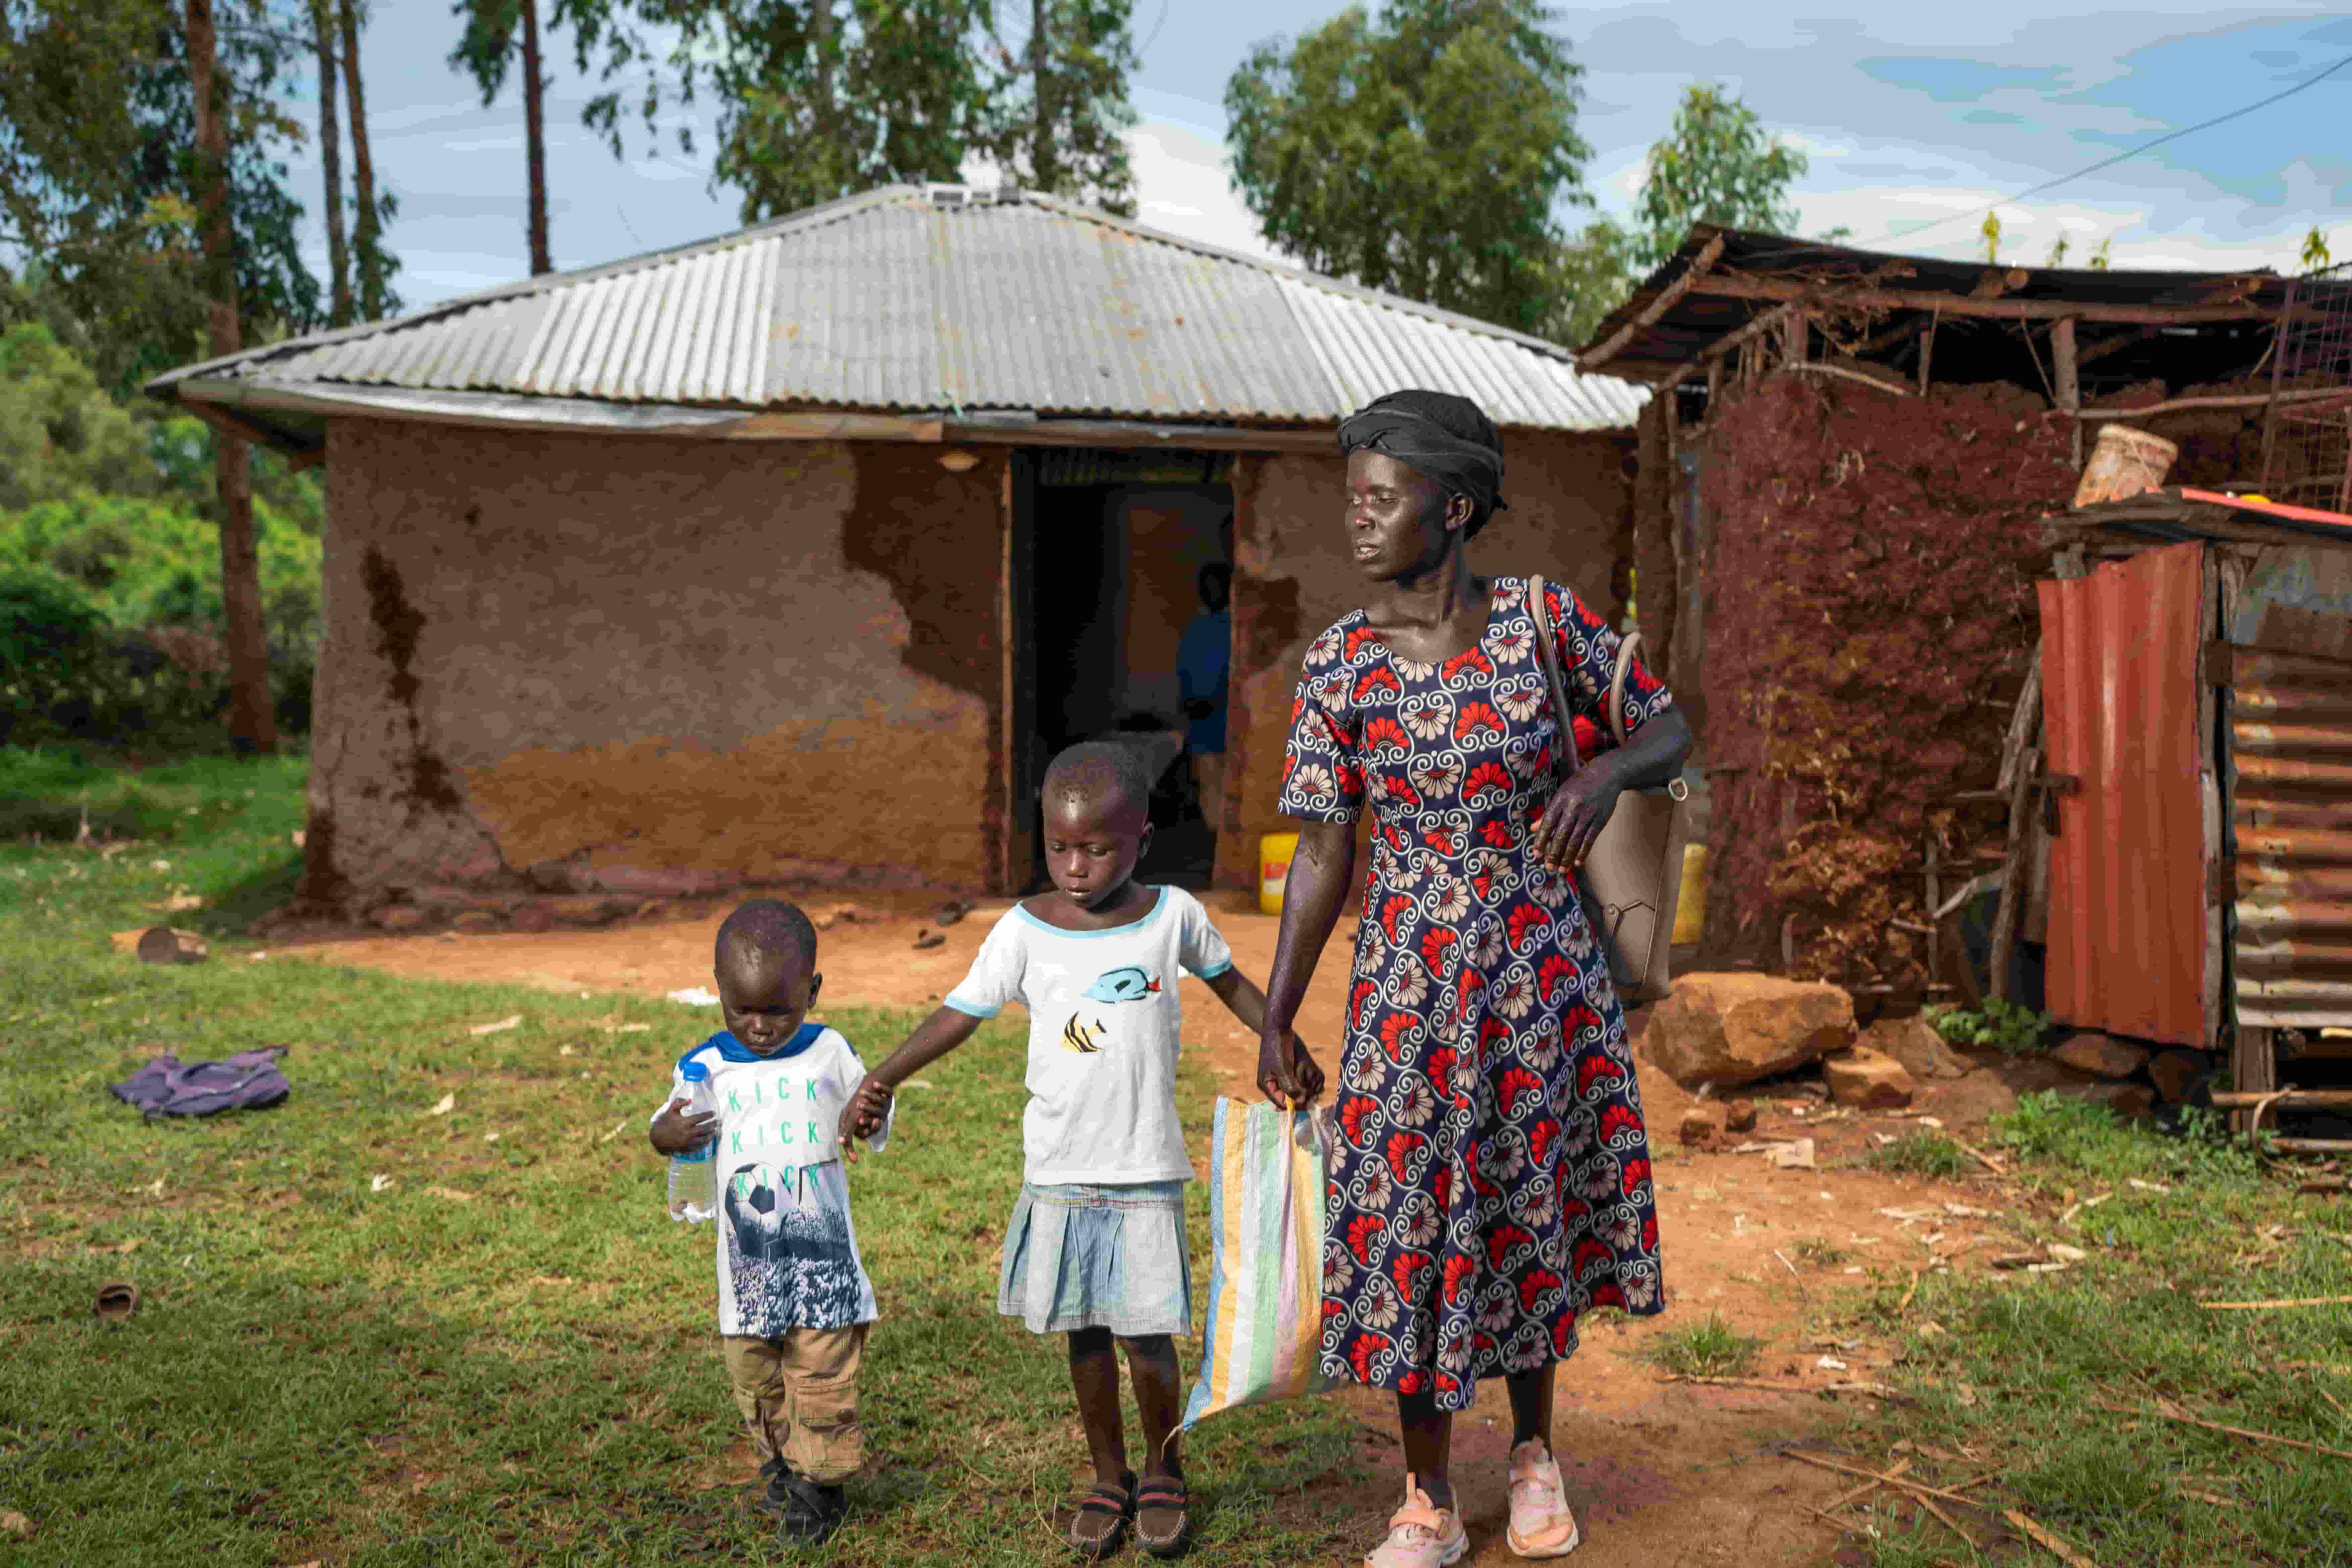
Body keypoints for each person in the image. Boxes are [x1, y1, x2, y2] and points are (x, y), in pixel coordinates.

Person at [1255, 389, 1694, 1567]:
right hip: (1403, 1002)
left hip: (1540, 994)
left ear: (1448, 510)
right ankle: (1425, 1497)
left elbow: (1664, 726)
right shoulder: (1340, 663)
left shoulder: (1541, 622)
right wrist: (1276, 1013)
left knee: (1524, 1214)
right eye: (1349, 495)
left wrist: (1599, 780)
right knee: (1408, 1227)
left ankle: (1536, 1455)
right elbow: (1318, 848)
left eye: (1378, 496)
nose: (1356, 518)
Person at [839, 741, 1322, 1560]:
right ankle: (1109, 1472)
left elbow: (1231, 981)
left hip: (1144, 1170)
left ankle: (1166, 1470)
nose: (1074, 865)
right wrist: (882, 1075)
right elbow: (960, 1012)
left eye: (1097, 848)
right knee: (1087, 1334)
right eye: (1059, 846)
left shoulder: (1174, 915)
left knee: (1146, 1336)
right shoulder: (1023, 929)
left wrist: (1278, 1037)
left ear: (1141, 836)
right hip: (1060, 1171)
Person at [648, 898, 894, 1548]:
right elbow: (669, 1125)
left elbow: (871, 1109)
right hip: (748, 1266)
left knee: (821, 1375)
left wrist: (870, 1115)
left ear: (811, 992)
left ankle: (819, 1486)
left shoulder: (830, 1052)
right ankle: (784, 1462)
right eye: (742, 1010)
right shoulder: (707, 1066)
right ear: (719, 993)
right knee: (756, 1377)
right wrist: (664, 1133)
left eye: (778, 1010)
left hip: (825, 1261)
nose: (759, 1026)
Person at [1177, 559, 1233, 825]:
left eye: (1216, 584)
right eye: (1205, 586)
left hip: (1230, 722)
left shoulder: (1237, 627)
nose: (1209, 590)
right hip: (1202, 725)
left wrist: (1218, 700)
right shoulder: (1194, 629)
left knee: (1231, 789)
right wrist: (1188, 703)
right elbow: (1185, 673)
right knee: (1209, 791)